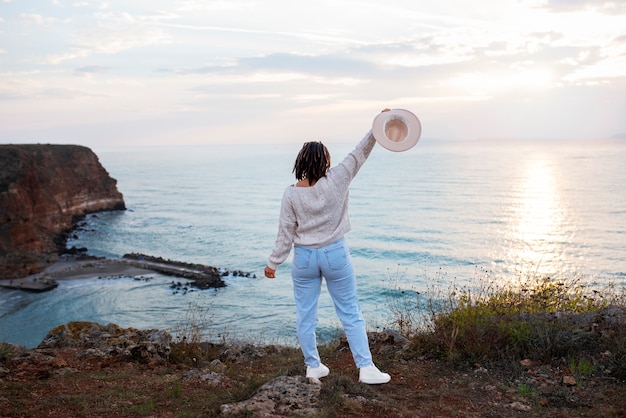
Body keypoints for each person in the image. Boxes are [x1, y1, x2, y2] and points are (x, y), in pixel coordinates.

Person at [264, 109, 391, 385]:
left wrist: (273, 263)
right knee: (349, 311)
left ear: (300, 161)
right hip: (335, 254)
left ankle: (313, 366)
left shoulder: (291, 193)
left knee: (306, 314)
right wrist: (377, 127)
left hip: (305, 259)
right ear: (326, 161)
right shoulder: (339, 178)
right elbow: (360, 152)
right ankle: (366, 368)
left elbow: (285, 233)